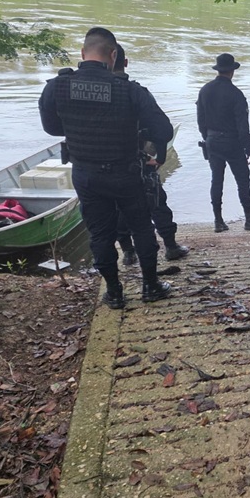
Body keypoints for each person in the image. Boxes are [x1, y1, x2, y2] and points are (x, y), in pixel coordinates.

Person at [39, 27, 173, 308]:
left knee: (99, 234)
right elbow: (163, 129)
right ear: (113, 56)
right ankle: (151, 286)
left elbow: (52, 128)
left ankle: (114, 292)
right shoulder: (129, 90)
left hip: (86, 174)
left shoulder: (57, 86)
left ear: (82, 53)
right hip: (126, 173)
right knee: (141, 228)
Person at [110, 45, 190, 265]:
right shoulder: (135, 91)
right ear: (125, 63)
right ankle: (171, 247)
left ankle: (128, 253)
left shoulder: (92, 93)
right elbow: (163, 128)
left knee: (118, 210)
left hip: (105, 167)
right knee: (156, 203)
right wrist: (161, 158)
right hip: (140, 162)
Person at [196, 53, 250, 233]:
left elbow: (200, 120)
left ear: (218, 69)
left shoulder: (205, 90)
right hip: (232, 142)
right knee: (243, 180)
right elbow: (242, 125)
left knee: (216, 180)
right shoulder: (236, 94)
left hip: (212, 141)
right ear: (232, 71)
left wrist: (208, 138)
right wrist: (248, 147)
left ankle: (218, 221)